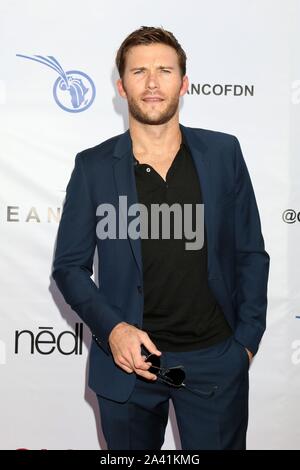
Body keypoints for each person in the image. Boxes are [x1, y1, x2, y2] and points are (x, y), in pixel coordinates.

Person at [52, 26, 270, 450]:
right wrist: (113, 330)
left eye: (165, 70)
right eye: (139, 72)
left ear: (184, 83)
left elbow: (251, 253)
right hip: (128, 368)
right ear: (121, 86)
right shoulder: (94, 166)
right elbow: (69, 267)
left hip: (215, 363)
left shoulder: (224, 154)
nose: (152, 83)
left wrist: (245, 343)